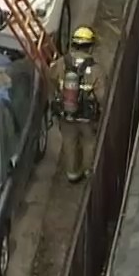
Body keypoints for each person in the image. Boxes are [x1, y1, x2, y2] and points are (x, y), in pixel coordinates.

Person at [52, 26, 101, 184]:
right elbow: (102, 95)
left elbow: (51, 80)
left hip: (66, 113)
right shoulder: (96, 69)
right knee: (89, 142)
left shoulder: (61, 63)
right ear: (90, 46)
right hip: (87, 117)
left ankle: (73, 174)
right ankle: (88, 171)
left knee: (69, 142)